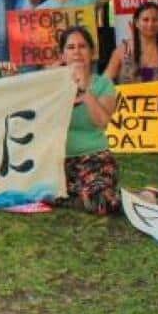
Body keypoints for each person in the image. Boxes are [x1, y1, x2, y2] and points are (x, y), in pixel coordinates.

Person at [56, 26, 120, 215]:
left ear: (92, 53)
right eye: (71, 47)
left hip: (93, 157)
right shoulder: (51, 86)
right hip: (57, 160)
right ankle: (74, 193)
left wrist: (85, 91)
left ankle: (69, 196)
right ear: (62, 55)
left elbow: (102, 121)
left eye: (82, 46)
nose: (77, 52)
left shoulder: (103, 84)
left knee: (102, 203)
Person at [105, 2, 158, 83]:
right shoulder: (122, 51)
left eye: (155, 20)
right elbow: (104, 82)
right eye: (145, 20)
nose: (150, 24)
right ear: (136, 23)